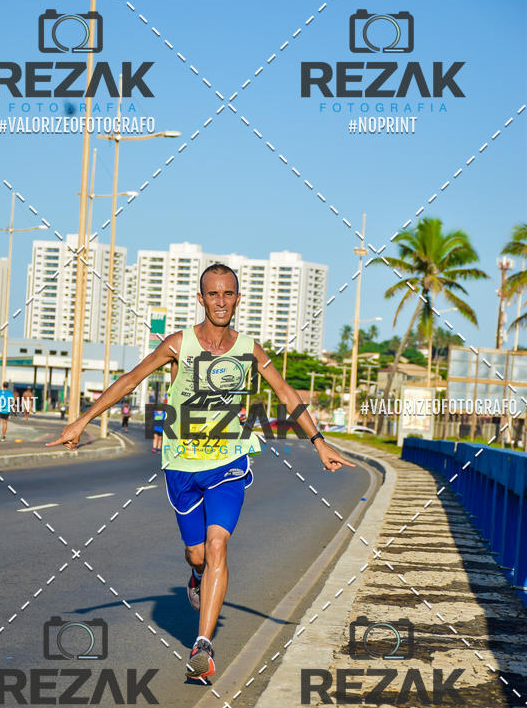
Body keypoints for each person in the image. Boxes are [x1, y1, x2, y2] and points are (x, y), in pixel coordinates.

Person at [46, 264, 353, 682]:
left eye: (228, 294)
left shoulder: (250, 349)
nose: (221, 301)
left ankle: (202, 647)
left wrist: (318, 441)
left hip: (228, 461)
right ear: (201, 298)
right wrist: (82, 420)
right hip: (182, 464)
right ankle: (196, 575)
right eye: (213, 294)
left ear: (238, 298)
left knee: (217, 545)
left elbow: (285, 392)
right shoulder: (179, 344)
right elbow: (131, 379)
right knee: (198, 554)